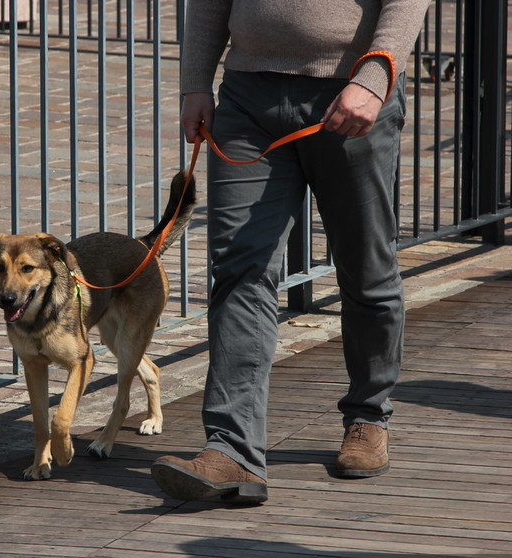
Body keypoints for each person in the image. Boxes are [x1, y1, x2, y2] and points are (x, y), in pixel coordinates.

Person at [151, 0, 432, 505]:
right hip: (246, 96)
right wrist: (195, 81)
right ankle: (232, 450)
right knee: (240, 268)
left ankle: (368, 415)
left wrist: (374, 75)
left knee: (366, 268)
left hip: (351, 92)